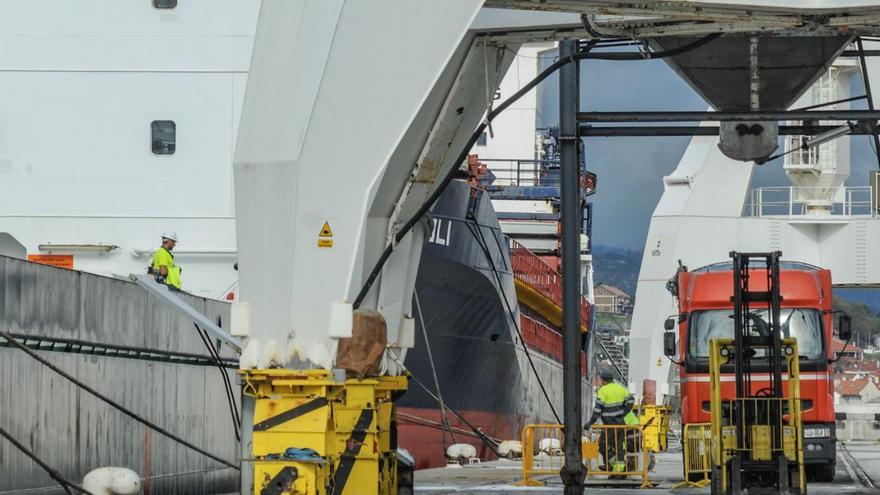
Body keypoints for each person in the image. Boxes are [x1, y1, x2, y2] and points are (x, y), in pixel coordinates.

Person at [584, 368, 638, 473]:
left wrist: (590, 423)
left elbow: (597, 410)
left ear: (603, 380)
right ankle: (619, 468)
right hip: (620, 424)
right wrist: (624, 412)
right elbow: (631, 400)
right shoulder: (620, 388)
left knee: (603, 446)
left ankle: (613, 465)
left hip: (610, 425)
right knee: (618, 447)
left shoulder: (603, 391)